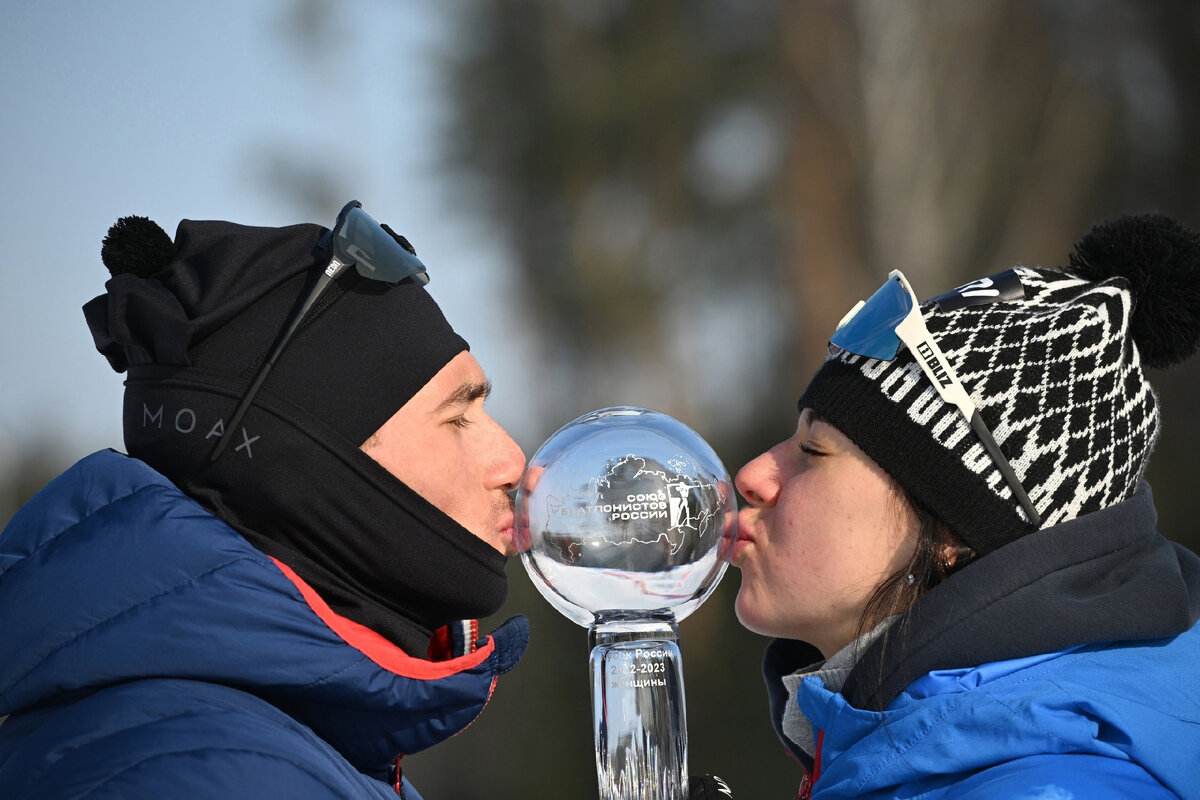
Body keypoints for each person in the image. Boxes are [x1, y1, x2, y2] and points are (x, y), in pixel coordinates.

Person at [0, 202, 529, 799]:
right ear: (310, 466)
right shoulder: (209, 775)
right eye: (457, 416)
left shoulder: (286, 744)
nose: (513, 461)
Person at [729, 212, 1200, 799]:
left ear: (954, 528)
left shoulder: (1051, 788)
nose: (752, 475)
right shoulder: (932, 758)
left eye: (813, 450)